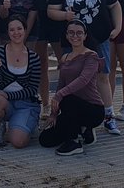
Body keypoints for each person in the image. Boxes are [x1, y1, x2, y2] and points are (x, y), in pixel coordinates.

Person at [47, 0, 123, 136]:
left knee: (102, 77)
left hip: (99, 37)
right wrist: (65, 14)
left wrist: (118, 27)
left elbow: (114, 5)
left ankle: (108, 116)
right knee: (70, 78)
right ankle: (72, 118)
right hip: (72, 39)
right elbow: (51, 11)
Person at [39, 21, 107, 156]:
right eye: (71, 32)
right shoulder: (65, 57)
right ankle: (82, 130)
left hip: (92, 109)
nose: (75, 36)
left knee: (68, 99)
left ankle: (75, 142)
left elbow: (83, 80)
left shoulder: (91, 56)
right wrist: (53, 114)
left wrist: (59, 96)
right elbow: (61, 84)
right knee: (45, 140)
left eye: (79, 33)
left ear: (85, 36)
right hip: (70, 109)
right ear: (66, 35)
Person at [0, 17, 41, 149]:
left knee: (18, 142)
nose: (16, 33)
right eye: (12, 30)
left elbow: (32, 90)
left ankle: (29, 123)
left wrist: (9, 96)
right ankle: (0, 125)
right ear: (8, 32)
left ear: (25, 30)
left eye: (19, 29)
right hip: (6, 104)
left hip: (26, 104)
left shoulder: (34, 57)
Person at [33, 0, 66, 119]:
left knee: (65, 63)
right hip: (39, 21)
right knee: (41, 64)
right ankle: (45, 103)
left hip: (59, 22)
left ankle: (61, 101)